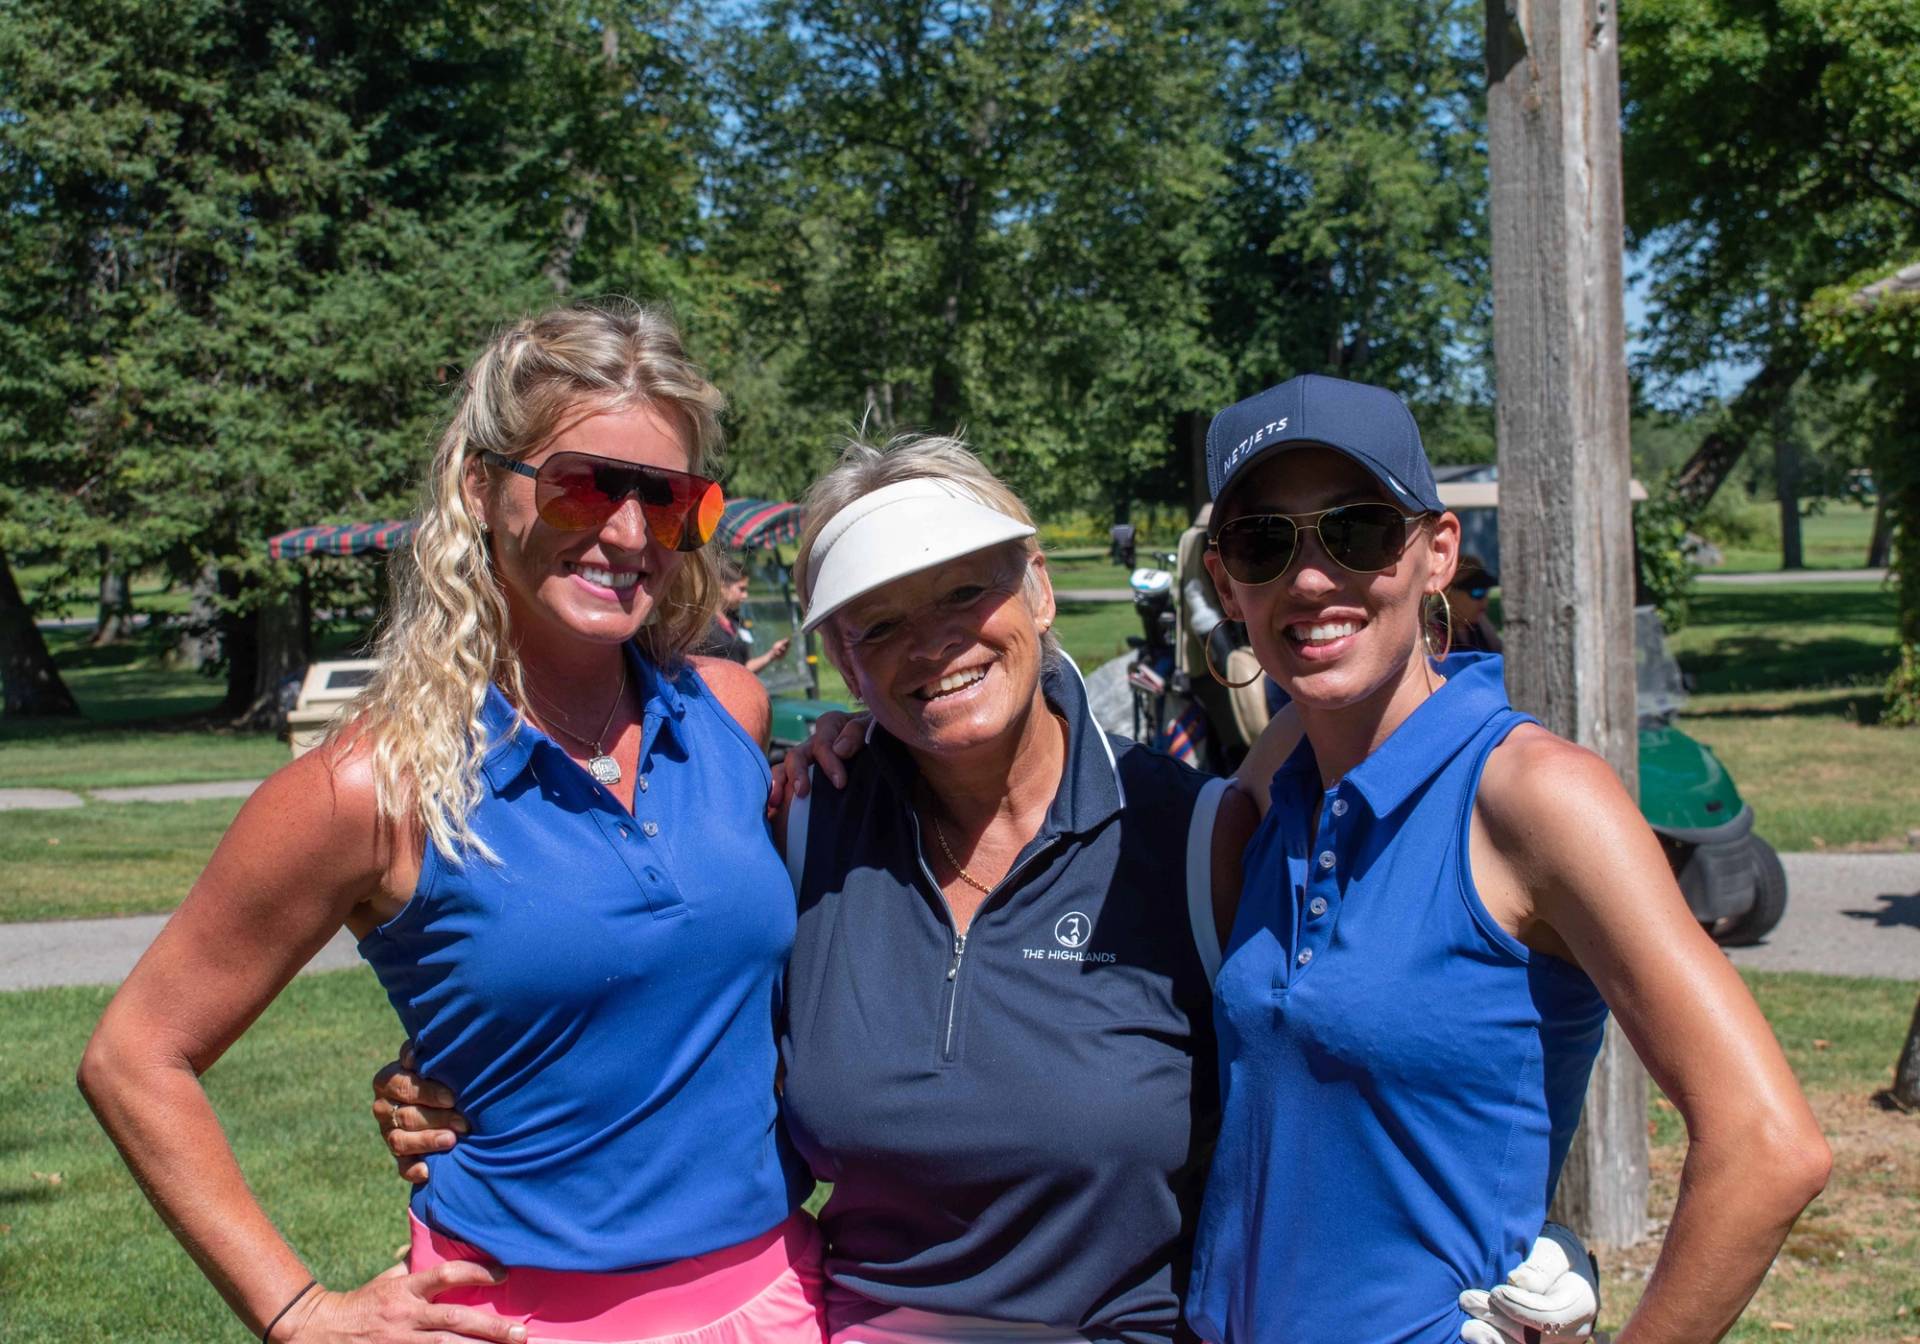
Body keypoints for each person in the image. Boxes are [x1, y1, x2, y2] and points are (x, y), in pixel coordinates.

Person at [374, 434, 1606, 1344]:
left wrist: (1497, 1250)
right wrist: (475, 1088)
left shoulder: (1187, 839)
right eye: (878, 622)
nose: (936, 641)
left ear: (1038, 591)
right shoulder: (797, 829)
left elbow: (1355, 1052)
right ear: (840, 662)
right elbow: (651, 1008)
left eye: (967, 590)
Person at [78, 299, 825, 1344]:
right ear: (483, 487)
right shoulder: (371, 787)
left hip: (779, 1297)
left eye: (668, 502)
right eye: (581, 486)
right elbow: (135, 1054)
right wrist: (298, 1311)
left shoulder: (729, 714)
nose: (624, 533)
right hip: (515, 1321)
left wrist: (862, 744)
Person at [1185, 373, 1829, 1343]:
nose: (1309, 578)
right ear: (1227, 585)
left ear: (1438, 552)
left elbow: (1770, 1146)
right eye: (1263, 541)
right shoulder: (1289, 789)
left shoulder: (1533, 795)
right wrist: (869, 747)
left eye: (1357, 530)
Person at [700, 553, 794, 673]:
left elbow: (745, 668)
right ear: (722, 586)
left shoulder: (736, 621)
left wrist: (771, 655)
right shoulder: (703, 625)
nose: (745, 595)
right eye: (741, 589)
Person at [1444, 553, 1502, 653]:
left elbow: (1501, 654)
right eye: (1477, 593)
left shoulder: (1480, 622)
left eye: (1486, 592)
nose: (1484, 602)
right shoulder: (1435, 629)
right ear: (1450, 593)